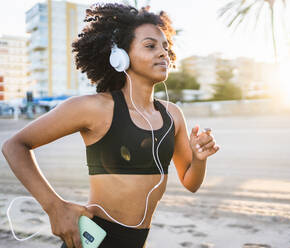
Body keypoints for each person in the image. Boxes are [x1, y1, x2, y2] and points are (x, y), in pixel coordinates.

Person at [1, 3, 220, 248]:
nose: (163, 53)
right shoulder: (94, 108)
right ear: (120, 56)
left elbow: (190, 182)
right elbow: (14, 145)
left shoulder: (173, 116)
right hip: (94, 241)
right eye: (150, 46)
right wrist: (54, 207)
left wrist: (200, 159)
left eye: (165, 46)